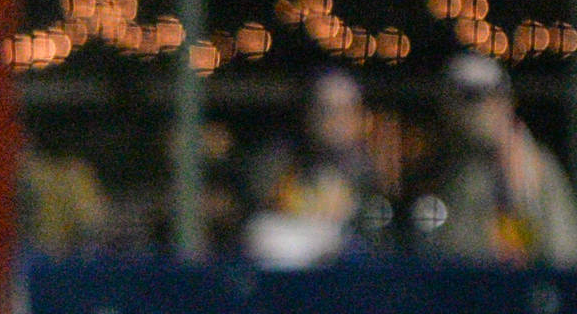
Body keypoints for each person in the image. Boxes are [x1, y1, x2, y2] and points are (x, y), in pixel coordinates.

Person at [412, 53, 577, 267]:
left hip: (517, 289)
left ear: (505, 101)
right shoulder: (451, 165)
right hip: (461, 286)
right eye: (469, 98)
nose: (479, 109)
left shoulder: (534, 164)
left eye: (487, 96)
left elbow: (561, 253)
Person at [243, 69, 389, 266]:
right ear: (310, 114)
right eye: (328, 110)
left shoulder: (368, 171)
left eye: (347, 110)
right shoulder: (279, 163)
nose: (339, 121)